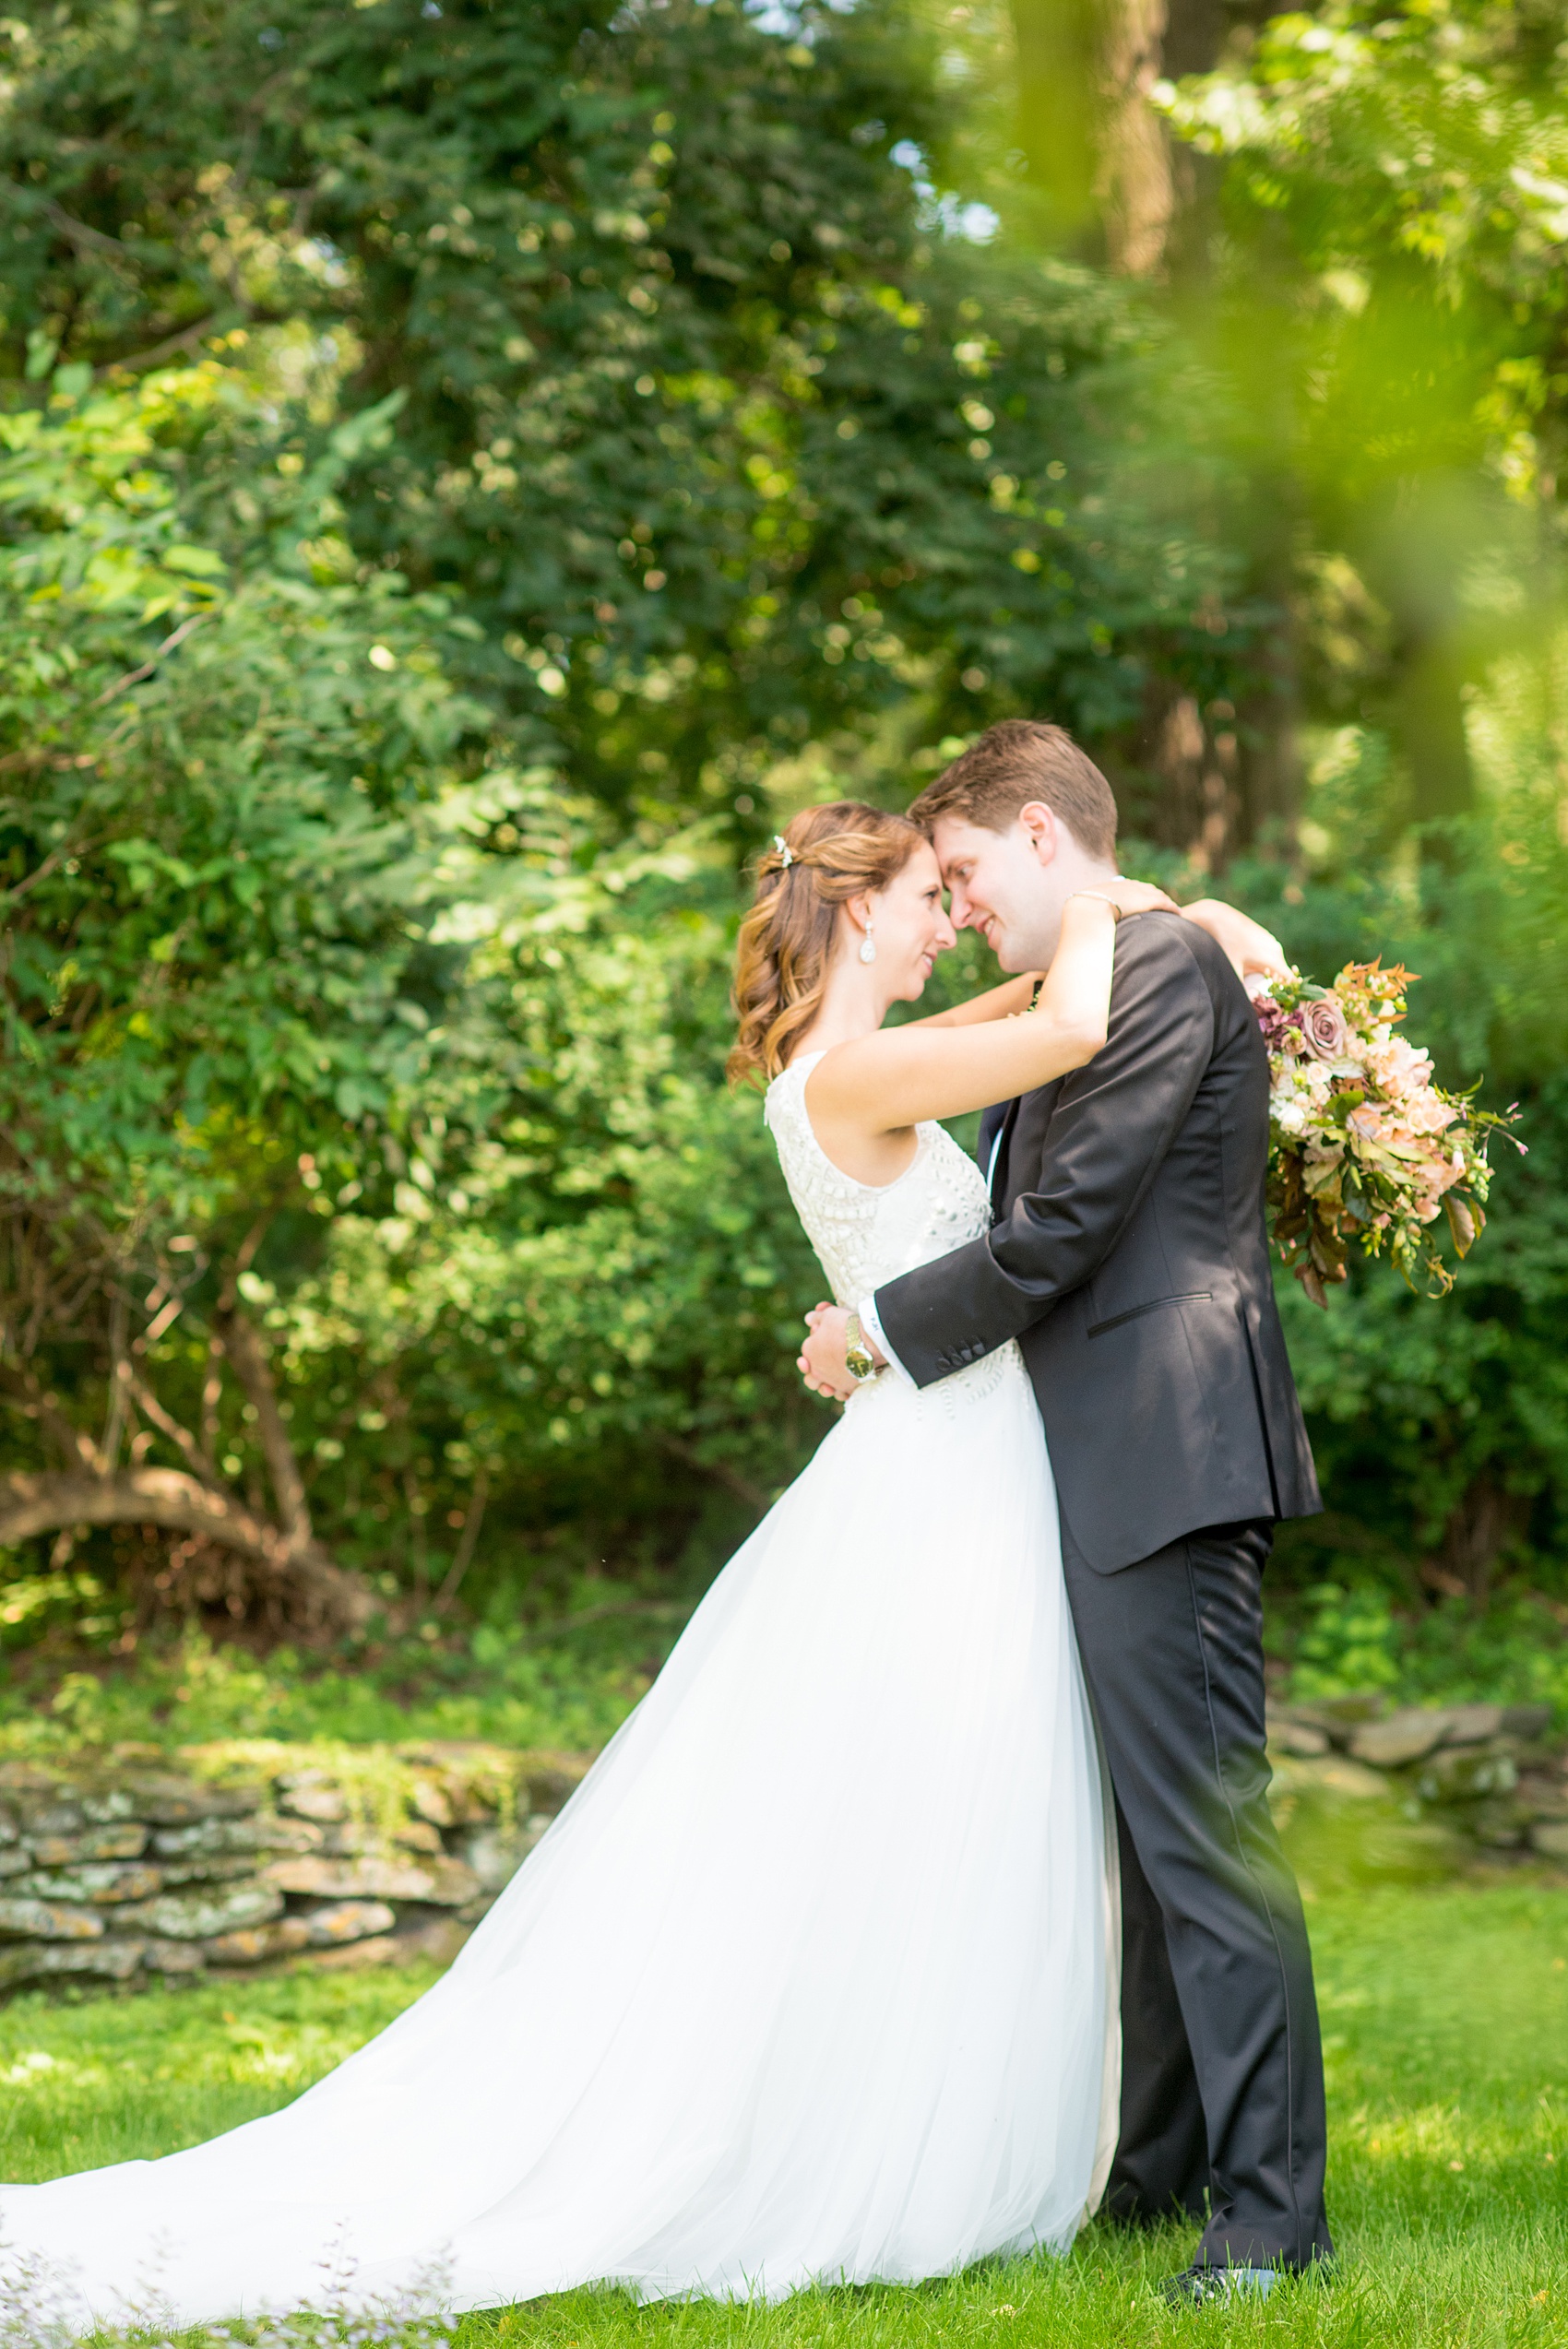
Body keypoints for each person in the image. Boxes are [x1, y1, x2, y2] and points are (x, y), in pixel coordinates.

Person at [0, 785, 1283, 2329]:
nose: (954, 918)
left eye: (963, 892)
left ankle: (1100, 2150)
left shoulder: (858, 1055)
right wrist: (1103, 899)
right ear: (861, 912)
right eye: (930, 896)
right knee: (933, 1810)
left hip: (968, 1459)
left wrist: (1174, 930)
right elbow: (1073, 1022)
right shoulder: (865, 1065)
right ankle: (919, 2141)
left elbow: (1018, 1027)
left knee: (959, 1812)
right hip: (956, 1480)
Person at [800, 722, 1333, 2303]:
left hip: (1167, 1453)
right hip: (1109, 1463)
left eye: (960, 871)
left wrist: (883, 1335)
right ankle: (1164, 2176)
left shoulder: (1152, 973)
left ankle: (1272, 2225)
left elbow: (1067, 1230)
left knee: (1206, 1842)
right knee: (1145, 1850)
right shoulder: (1105, 977)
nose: (955, 904)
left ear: (1041, 838)